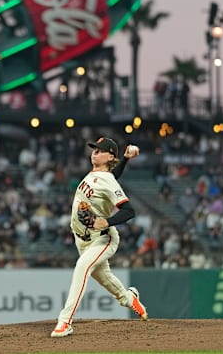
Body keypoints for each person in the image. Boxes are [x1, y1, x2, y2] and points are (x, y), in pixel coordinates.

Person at [51, 137, 147, 338]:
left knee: (82, 268)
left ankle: (64, 321)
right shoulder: (100, 175)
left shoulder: (107, 179)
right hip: (82, 239)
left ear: (110, 156)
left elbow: (129, 211)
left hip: (103, 238)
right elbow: (111, 178)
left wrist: (107, 221)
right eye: (94, 149)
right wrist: (126, 160)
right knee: (104, 278)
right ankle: (130, 298)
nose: (95, 152)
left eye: (100, 150)